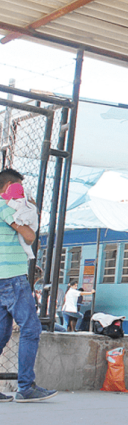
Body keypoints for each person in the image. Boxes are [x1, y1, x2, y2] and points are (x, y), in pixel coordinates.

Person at [0, 168, 57, 402]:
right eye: (18, 188)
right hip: (12, 278)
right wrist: (28, 209)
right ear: (9, 187)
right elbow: (30, 236)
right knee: (31, 328)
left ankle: (25, 386)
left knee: (2, 334)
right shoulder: (4, 208)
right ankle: (26, 387)